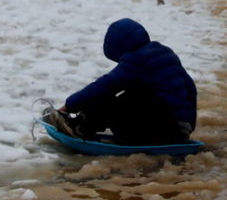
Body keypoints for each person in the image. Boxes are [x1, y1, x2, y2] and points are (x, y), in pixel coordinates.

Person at [48, 18, 197, 145]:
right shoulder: (164, 52)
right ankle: (82, 123)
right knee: (134, 93)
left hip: (162, 132)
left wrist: (69, 105)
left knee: (122, 97)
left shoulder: (138, 59)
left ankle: (80, 127)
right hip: (179, 130)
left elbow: (104, 86)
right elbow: (190, 88)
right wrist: (188, 127)